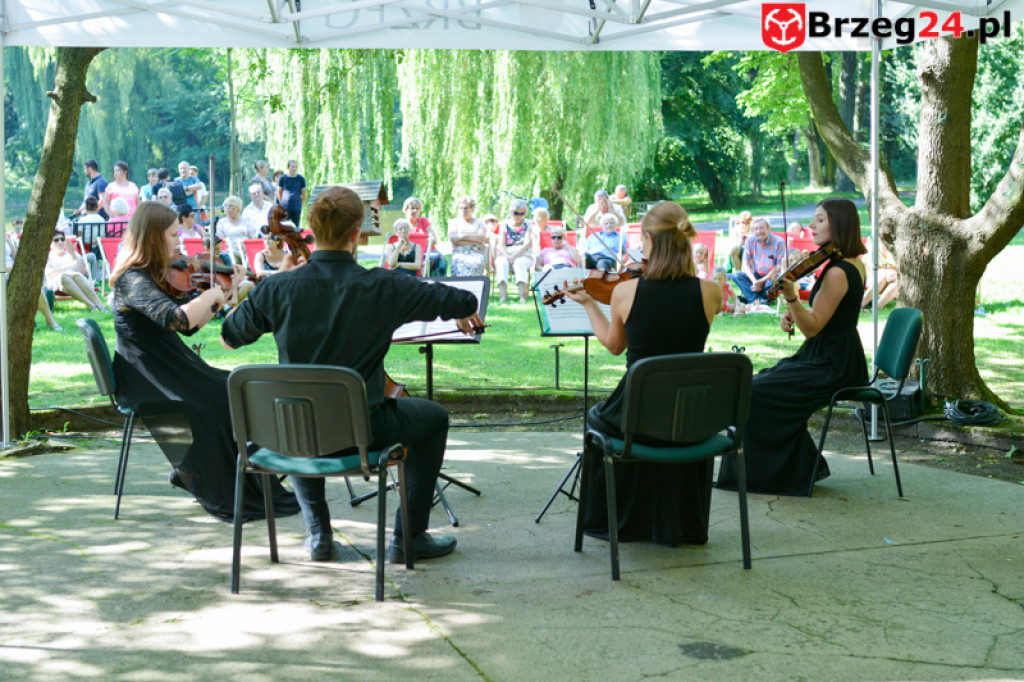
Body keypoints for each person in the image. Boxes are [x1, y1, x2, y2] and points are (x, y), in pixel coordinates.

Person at [221, 185, 483, 563]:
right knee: (435, 418)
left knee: (299, 411)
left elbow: (229, 337)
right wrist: (458, 310)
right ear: (357, 232)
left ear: (311, 227)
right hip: (366, 432)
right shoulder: (384, 285)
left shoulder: (277, 289)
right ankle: (410, 537)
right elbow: (464, 300)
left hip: (289, 432)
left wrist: (276, 279)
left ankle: (319, 536)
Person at [109, 201, 298, 522]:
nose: (180, 242)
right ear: (153, 238)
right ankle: (202, 474)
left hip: (169, 366)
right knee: (218, 399)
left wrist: (229, 289)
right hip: (148, 376)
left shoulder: (153, 274)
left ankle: (204, 470)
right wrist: (211, 296)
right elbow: (177, 320)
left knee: (235, 387)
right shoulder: (132, 279)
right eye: (172, 235)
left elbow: (192, 325)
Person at [566, 201, 722, 546]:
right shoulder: (711, 292)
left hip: (636, 414)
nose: (639, 247)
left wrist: (590, 303)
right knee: (659, 423)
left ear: (652, 240)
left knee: (596, 419)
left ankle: (626, 520)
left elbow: (613, 344)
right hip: (690, 416)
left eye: (642, 240)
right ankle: (677, 521)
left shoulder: (625, 291)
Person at [717, 198, 868, 495]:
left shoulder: (838, 271)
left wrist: (792, 299)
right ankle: (780, 469)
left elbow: (812, 328)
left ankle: (785, 473)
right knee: (759, 383)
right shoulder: (850, 263)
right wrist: (795, 310)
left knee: (758, 392)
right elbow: (824, 314)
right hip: (832, 355)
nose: (811, 225)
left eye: (820, 219)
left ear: (840, 224)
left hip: (831, 365)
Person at [6, 228, 62, 331]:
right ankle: (48, 320)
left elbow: (16, 256)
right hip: (3, 274)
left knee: (31, 282)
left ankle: (49, 320)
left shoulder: (4, 237)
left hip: (13, 271)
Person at [45, 231, 108, 312]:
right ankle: (90, 304)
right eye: (56, 240)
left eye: (62, 239)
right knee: (65, 277)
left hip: (75, 281)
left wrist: (73, 255)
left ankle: (101, 306)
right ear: (50, 243)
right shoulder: (48, 256)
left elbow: (82, 271)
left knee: (77, 276)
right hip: (57, 283)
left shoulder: (71, 253)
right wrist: (69, 266)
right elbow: (48, 273)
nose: (60, 242)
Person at [728, 217, 785, 306]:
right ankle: (758, 300)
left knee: (778, 278)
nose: (759, 231)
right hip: (756, 276)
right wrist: (754, 281)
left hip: (770, 278)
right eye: (756, 229)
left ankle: (752, 298)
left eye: (761, 228)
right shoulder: (750, 241)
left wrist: (762, 281)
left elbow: (778, 267)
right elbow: (745, 264)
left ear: (768, 228)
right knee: (737, 275)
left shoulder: (779, 242)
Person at [495, 199, 534, 303]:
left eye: (523, 213)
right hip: (506, 254)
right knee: (501, 262)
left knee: (519, 263)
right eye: (517, 213)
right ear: (511, 212)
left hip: (523, 255)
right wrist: (508, 257)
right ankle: (503, 297)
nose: (520, 216)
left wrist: (513, 257)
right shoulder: (504, 224)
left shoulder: (528, 224)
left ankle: (523, 297)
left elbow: (526, 244)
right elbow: (501, 245)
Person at [403, 197, 445, 276]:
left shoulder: (423, 221)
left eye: (417, 208)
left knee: (437, 258)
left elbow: (434, 240)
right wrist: (421, 241)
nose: (415, 211)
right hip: (412, 252)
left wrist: (420, 242)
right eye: (412, 208)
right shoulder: (403, 225)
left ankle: (437, 283)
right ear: (405, 210)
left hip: (428, 251)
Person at [448, 196, 488, 277]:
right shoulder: (454, 222)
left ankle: (474, 288)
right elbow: (454, 240)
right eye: (460, 208)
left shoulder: (480, 222)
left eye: (466, 208)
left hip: (476, 252)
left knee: (476, 262)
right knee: (459, 262)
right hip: (459, 252)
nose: (463, 210)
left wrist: (463, 235)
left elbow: (481, 237)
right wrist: (474, 239)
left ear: (472, 209)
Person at [215, 196, 252, 264]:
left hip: (245, 250)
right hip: (230, 250)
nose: (228, 207)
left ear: (238, 208)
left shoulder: (246, 220)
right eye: (226, 205)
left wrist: (246, 246)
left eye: (231, 205)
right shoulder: (222, 222)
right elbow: (219, 240)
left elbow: (252, 237)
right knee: (232, 257)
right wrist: (233, 246)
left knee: (252, 256)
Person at [862, 240, 898, 310]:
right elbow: (873, 269)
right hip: (876, 277)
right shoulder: (873, 246)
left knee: (896, 285)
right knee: (882, 277)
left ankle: (874, 310)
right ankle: (859, 305)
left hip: (895, 278)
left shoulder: (898, 247)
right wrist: (887, 272)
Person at [276, 160, 307, 227]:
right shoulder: (282, 178)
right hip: (285, 208)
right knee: (284, 227)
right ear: (288, 167)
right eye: (293, 167)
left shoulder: (301, 179)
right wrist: (281, 204)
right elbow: (279, 192)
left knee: (296, 228)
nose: (294, 168)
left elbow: (304, 195)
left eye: (296, 167)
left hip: (296, 208)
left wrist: (299, 205)